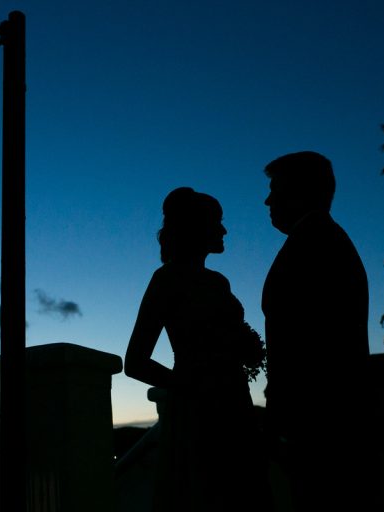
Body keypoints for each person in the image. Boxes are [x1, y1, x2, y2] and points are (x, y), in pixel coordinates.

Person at [124, 187, 270, 512]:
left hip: (235, 401)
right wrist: (188, 386)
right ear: (194, 228)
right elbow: (134, 362)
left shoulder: (219, 282)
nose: (224, 230)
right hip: (196, 413)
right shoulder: (166, 280)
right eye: (216, 222)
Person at [261, 151, 377, 510]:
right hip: (328, 418)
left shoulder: (313, 244)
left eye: (275, 189)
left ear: (299, 192)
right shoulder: (322, 239)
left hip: (319, 422)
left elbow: (306, 341)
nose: (268, 200)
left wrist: (281, 416)